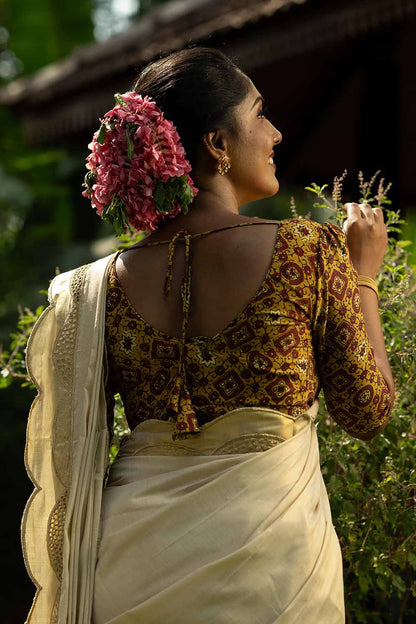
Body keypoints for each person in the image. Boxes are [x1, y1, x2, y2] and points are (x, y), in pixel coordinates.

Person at [22, 47, 394, 624]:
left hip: (128, 568)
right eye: (259, 114)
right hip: (269, 570)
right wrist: (362, 276)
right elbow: (369, 411)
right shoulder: (306, 251)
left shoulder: (96, 288)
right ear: (216, 145)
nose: (275, 132)